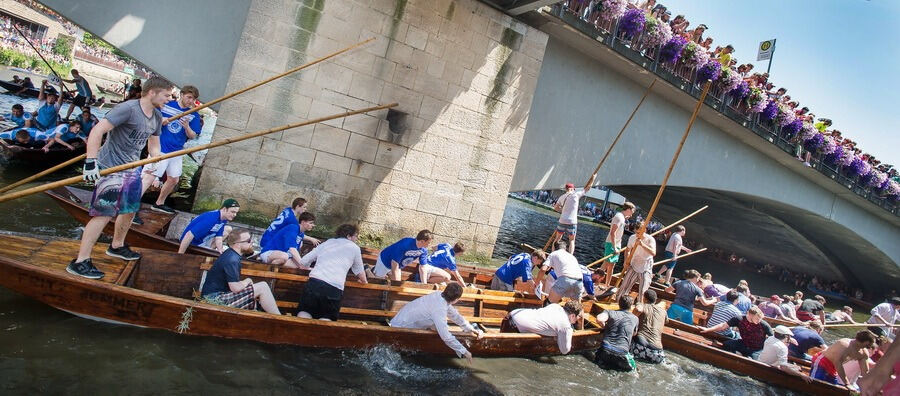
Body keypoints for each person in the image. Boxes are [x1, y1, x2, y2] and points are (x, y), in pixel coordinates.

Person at [66, 77, 174, 279]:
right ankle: (80, 261)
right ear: (152, 92)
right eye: (166, 95)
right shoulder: (128, 109)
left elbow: (154, 145)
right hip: (111, 167)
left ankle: (116, 245)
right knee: (104, 214)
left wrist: (155, 160)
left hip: (132, 168)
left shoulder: (157, 117)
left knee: (130, 210)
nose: (169, 99)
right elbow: (98, 130)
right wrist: (91, 161)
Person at [139, 85, 203, 214]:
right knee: (148, 178)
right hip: (160, 148)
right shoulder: (167, 105)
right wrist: (161, 120)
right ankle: (130, 206)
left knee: (174, 179)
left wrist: (186, 127)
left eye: (193, 98)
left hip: (176, 151)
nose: (190, 101)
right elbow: (151, 118)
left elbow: (193, 135)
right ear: (182, 94)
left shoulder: (194, 115)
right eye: (189, 97)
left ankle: (159, 203)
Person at [389, 282, 484, 363]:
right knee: (441, 329)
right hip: (400, 327)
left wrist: (471, 329)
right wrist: (465, 352)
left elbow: (455, 315)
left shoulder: (439, 294)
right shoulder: (439, 309)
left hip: (399, 319)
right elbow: (446, 337)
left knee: (436, 325)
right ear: (456, 300)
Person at [199, 228, 280, 314]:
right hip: (213, 299)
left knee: (255, 295)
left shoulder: (231, 254)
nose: (252, 242)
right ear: (237, 244)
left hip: (216, 296)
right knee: (263, 287)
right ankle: (280, 318)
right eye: (248, 241)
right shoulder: (232, 259)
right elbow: (235, 288)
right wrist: (247, 280)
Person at [296, 224, 367, 320]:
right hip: (334, 288)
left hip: (314, 283)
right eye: (355, 236)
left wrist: (310, 268)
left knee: (305, 312)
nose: (356, 239)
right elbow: (360, 272)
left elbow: (304, 262)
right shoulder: (354, 248)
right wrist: (364, 282)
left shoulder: (327, 243)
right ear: (349, 236)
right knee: (326, 318)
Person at [505, 299, 583, 354]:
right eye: (579, 316)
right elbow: (565, 350)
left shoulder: (555, 306)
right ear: (572, 315)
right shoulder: (565, 326)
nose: (579, 319)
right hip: (513, 327)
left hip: (510, 315)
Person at [702, 306, 773, 359]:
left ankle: (741, 355)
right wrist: (708, 329)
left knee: (754, 361)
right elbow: (723, 325)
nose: (759, 320)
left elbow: (772, 338)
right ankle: (738, 354)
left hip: (757, 349)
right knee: (727, 344)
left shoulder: (763, 324)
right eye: (757, 318)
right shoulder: (739, 319)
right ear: (750, 315)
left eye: (760, 319)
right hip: (744, 344)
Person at [810, 330, 877, 387]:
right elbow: (838, 364)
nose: (869, 347)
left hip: (834, 368)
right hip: (822, 361)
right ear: (866, 342)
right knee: (816, 384)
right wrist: (847, 383)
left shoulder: (863, 353)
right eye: (869, 345)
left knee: (832, 388)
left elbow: (865, 372)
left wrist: (872, 385)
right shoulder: (844, 345)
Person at [550, 176, 595, 254]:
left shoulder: (562, 197)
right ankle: (570, 256)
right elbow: (588, 188)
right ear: (573, 189)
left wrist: (562, 211)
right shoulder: (576, 195)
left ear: (566, 189)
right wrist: (593, 178)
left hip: (562, 220)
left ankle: (552, 254)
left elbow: (555, 208)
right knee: (572, 240)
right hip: (572, 222)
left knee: (557, 239)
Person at [594, 295, 639, 372]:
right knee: (634, 371)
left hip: (605, 350)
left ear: (619, 303)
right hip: (621, 353)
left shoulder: (610, 312)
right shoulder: (635, 318)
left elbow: (599, 319)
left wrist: (604, 326)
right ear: (631, 306)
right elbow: (634, 334)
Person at [614, 222, 656, 303]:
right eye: (636, 232)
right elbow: (628, 250)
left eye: (639, 233)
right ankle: (619, 301)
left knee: (643, 290)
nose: (637, 235)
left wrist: (642, 244)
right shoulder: (632, 238)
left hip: (645, 266)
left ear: (644, 230)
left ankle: (641, 306)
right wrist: (626, 260)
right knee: (625, 285)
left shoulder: (650, 239)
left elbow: (653, 253)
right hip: (634, 264)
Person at [600, 202, 635, 286]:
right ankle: (594, 280)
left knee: (611, 265)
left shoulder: (622, 217)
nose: (633, 213)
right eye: (632, 211)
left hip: (616, 244)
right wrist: (614, 247)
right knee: (606, 264)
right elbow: (613, 233)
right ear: (629, 209)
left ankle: (607, 284)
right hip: (612, 244)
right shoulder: (619, 217)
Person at [631, 290, 667, 363]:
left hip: (641, 347)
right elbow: (666, 321)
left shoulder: (642, 305)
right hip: (658, 353)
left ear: (644, 299)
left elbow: (638, 309)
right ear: (655, 300)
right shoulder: (663, 311)